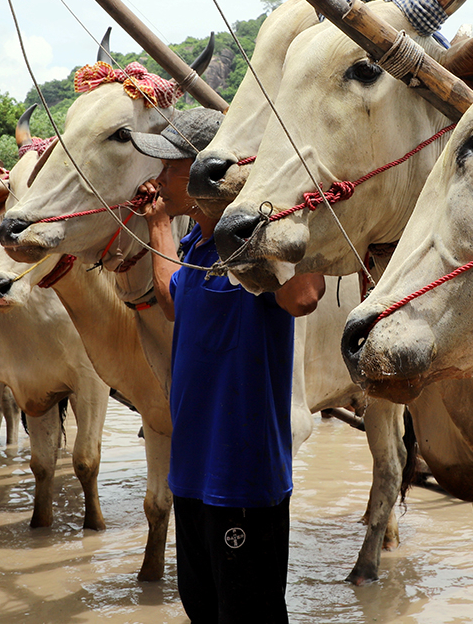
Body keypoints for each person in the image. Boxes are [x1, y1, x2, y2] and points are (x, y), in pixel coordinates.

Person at [132, 109, 324, 624]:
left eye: (168, 167)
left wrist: (261, 215)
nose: (156, 179)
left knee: (248, 614)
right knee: (203, 607)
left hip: (241, 476)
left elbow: (304, 296)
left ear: (204, 174)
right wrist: (158, 225)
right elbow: (174, 299)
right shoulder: (195, 240)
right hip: (191, 471)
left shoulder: (253, 239)